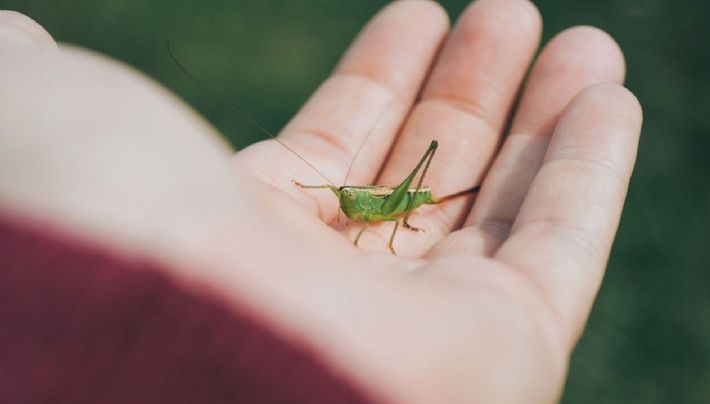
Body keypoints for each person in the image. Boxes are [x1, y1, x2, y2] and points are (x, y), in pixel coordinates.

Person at [0, 0, 642, 402]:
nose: (341, 204)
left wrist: (384, 226)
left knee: (396, 198)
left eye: (341, 199)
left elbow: (371, 214)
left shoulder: (370, 212)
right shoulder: (341, 200)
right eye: (339, 198)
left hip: (404, 200)